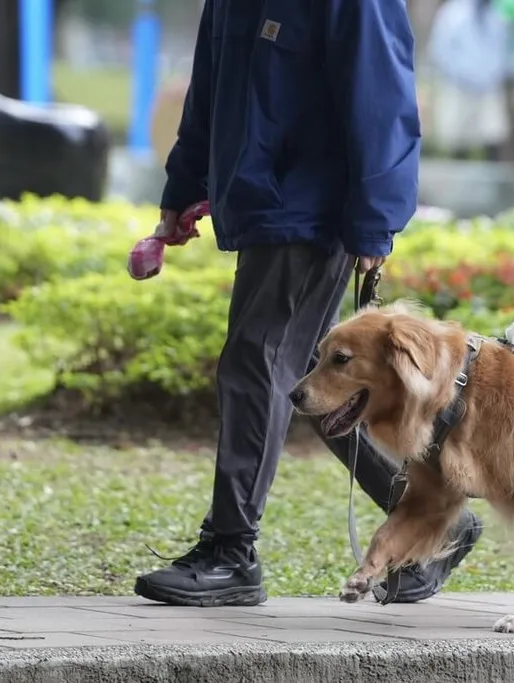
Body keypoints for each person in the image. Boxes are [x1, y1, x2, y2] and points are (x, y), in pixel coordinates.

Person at [133, 0, 483, 608]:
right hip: (266, 204)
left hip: (313, 211)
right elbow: (210, 90)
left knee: (257, 362)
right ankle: (436, 523)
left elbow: (383, 104)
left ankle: (230, 552)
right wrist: (184, 187)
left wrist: (375, 224)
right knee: (320, 385)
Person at [427, 0, 511, 161]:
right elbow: (439, 51)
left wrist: (491, 76)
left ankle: (492, 185)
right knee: (457, 144)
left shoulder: (496, 14)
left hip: (488, 89)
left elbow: (502, 50)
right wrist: (464, 76)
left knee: (493, 139)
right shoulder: (453, 13)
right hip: (458, 88)